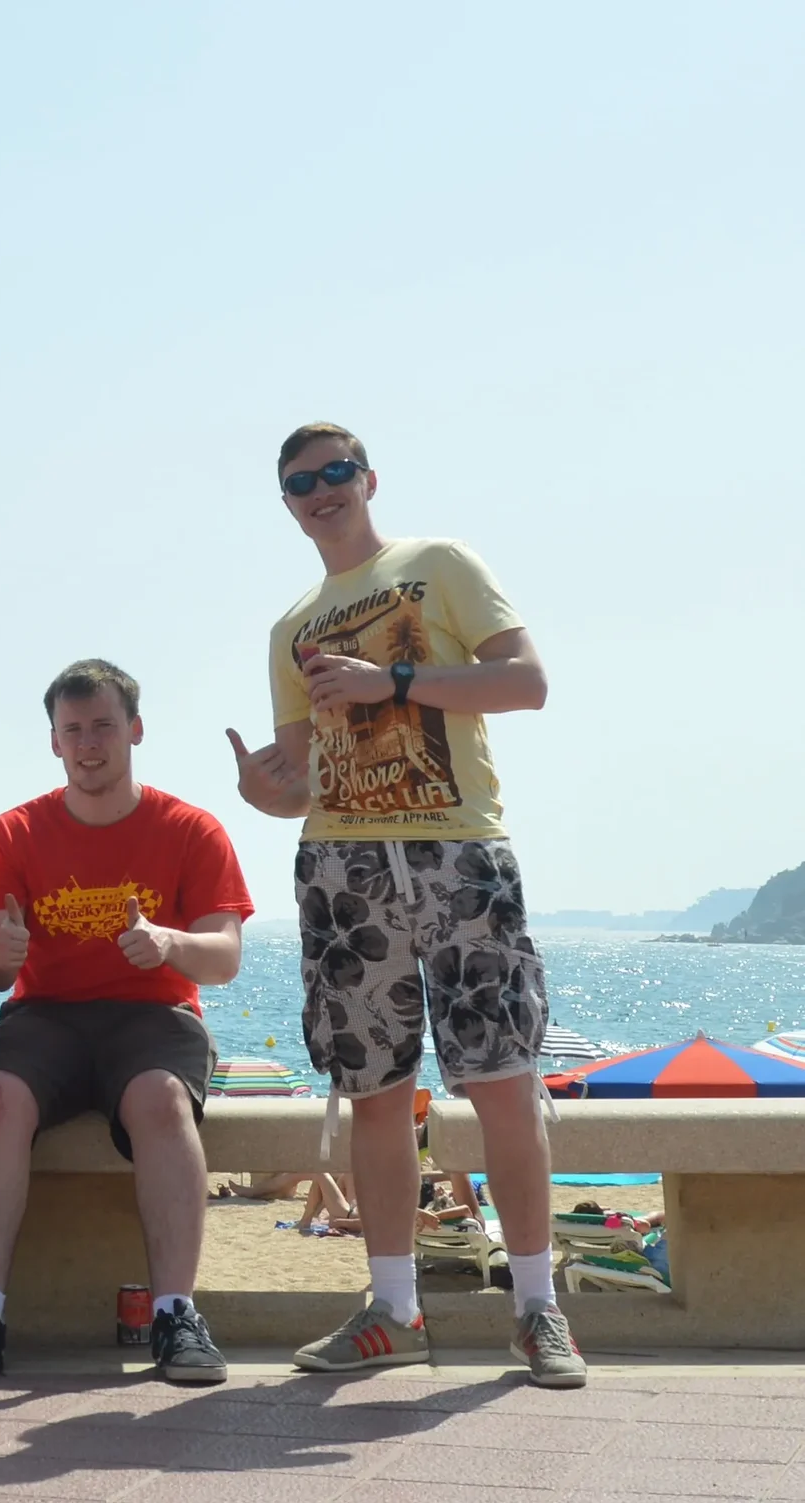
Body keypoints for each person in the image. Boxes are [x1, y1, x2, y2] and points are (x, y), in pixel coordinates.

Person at [231, 422, 584, 1388]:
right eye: (300, 481)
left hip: (459, 851)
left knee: (505, 1081)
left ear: (369, 478)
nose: (321, 490)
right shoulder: (289, 629)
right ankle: (392, 1310)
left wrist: (388, 678)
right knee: (375, 1096)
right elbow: (307, 780)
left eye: (336, 472)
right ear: (289, 503)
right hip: (342, 871)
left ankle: (538, 1310)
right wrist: (270, 794)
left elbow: (527, 683)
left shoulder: (439, 564)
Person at [0, 660, 254, 1384]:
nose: (88, 744)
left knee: (161, 1101)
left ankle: (176, 1315)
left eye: (103, 726)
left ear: (134, 731)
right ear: (53, 742)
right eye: (72, 730)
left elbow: (225, 958)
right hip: (45, 1016)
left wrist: (172, 943)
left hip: (153, 1015)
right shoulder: (13, 833)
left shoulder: (190, 829)